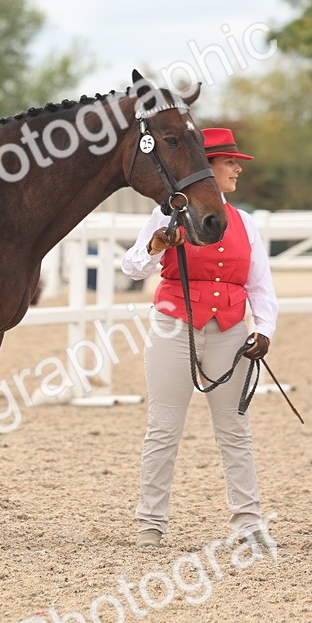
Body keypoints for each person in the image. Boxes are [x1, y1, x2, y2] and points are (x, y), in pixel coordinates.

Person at [120, 128, 279, 549]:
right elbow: (132, 267)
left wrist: (263, 329)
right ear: (205, 167)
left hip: (230, 331)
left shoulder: (244, 222)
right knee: (164, 428)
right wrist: (157, 244)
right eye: (230, 162)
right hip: (175, 328)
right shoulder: (166, 214)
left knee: (235, 430)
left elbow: (260, 283)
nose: (237, 170)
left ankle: (248, 524)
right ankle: (150, 524)